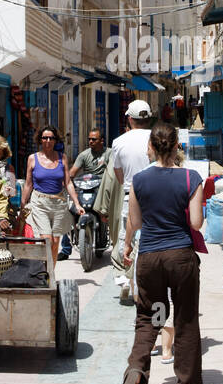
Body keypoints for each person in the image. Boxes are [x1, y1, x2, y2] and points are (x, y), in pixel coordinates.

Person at [121, 120, 205, 384]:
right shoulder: (190, 178)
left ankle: (136, 368)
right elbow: (196, 223)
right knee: (185, 318)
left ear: (151, 147)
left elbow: (135, 222)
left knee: (150, 315)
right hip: (180, 258)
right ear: (177, 145)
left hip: (150, 259)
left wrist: (127, 243)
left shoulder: (139, 180)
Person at [20, 125, 84, 266]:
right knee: (47, 240)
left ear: (55, 140)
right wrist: (23, 204)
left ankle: (50, 274)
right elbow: (28, 184)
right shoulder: (32, 158)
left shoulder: (62, 158)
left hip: (58, 203)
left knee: (55, 242)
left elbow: (68, 183)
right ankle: (43, 274)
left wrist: (77, 203)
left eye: (51, 138)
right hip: (40, 203)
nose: (48, 140)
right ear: (40, 140)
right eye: (45, 138)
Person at [111, 100, 154, 304]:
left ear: (129, 118)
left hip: (131, 196)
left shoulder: (118, 142)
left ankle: (126, 279)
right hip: (157, 196)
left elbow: (119, 177)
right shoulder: (157, 138)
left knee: (124, 242)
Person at [59, 129, 109, 259]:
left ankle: (108, 240)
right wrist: (65, 181)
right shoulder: (84, 155)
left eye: (94, 139)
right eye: (89, 139)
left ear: (101, 141)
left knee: (108, 213)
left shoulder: (110, 154)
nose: (90, 142)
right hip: (87, 187)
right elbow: (73, 172)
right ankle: (65, 249)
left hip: (103, 189)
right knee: (70, 212)